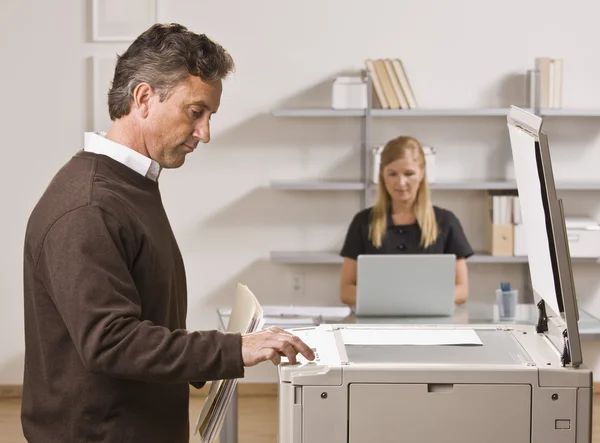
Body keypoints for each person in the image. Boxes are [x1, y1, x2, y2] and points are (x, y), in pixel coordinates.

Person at [21, 23, 314, 443]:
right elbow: (110, 340)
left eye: (210, 116)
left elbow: (144, 317)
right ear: (143, 98)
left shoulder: (128, 185)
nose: (205, 133)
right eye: (195, 112)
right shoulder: (87, 207)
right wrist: (234, 350)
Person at [339, 135, 474, 307]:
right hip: (377, 325)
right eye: (392, 174)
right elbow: (346, 290)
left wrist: (417, 301)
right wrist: (394, 302)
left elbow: (462, 290)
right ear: (382, 175)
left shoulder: (446, 222)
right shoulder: (363, 222)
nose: (401, 182)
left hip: (431, 325)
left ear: (422, 174)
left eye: (409, 173)